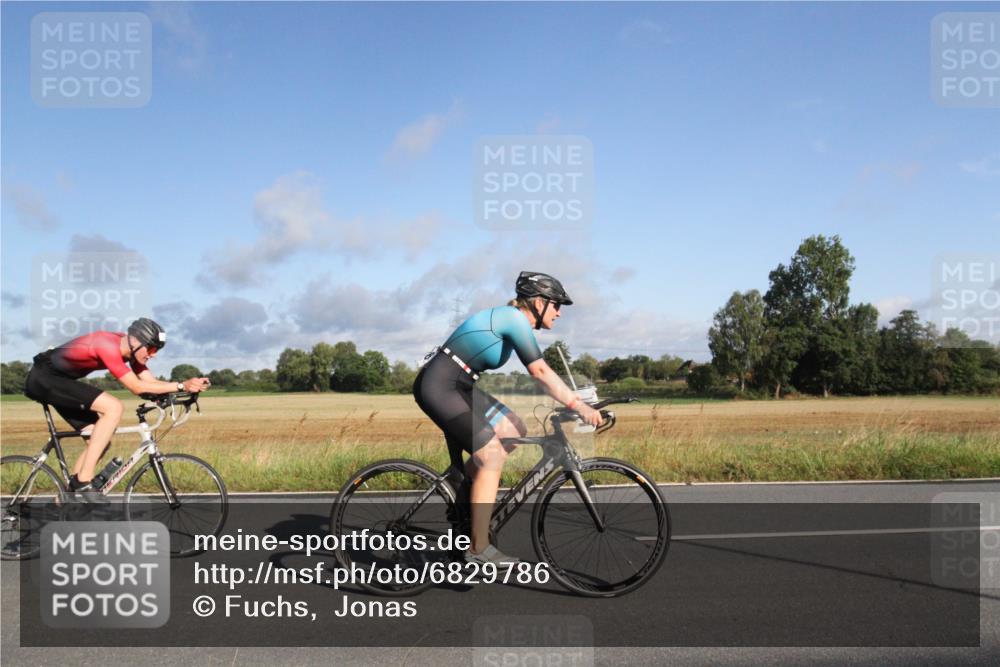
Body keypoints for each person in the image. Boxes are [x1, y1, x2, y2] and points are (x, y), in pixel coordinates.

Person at [413, 271, 603, 565]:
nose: (559, 313)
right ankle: (478, 548)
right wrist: (578, 405)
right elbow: (539, 372)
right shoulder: (513, 319)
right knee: (491, 456)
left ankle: (463, 491)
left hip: (461, 385)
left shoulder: (514, 321)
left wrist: (572, 401)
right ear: (538, 302)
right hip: (439, 386)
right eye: (556, 305)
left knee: (513, 427)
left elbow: (542, 374)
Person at [24, 318, 210, 500]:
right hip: (44, 378)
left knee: (99, 440)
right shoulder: (106, 344)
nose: (153, 355)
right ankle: (83, 481)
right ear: (136, 341)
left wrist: (180, 391)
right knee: (113, 407)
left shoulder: (132, 351)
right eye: (151, 349)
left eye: (157, 350)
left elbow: (150, 383)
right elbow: (137, 387)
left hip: (60, 381)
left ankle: (65, 500)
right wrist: (180, 386)